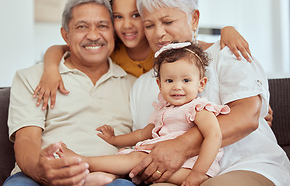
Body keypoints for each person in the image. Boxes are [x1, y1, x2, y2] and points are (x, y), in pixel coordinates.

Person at [124, 0, 290, 186]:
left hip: (245, 163)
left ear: (194, 19)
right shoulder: (143, 84)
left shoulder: (227, 53)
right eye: (149, 25)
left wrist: (182, 144)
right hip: (181, 174)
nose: (158, 34)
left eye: (168, 21)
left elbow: (248, 115)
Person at [33, 0, 252, 110]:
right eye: (117, 17)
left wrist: (227, 30)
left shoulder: (163, 45)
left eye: (136, 15)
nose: (127, 25)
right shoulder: (111, 47)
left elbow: (199, 48)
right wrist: (51, 69)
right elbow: (63, 48)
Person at [3, 0, 136, 186]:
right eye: (81, 26)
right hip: (40, 177)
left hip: (110, 179)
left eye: (102, 26)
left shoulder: (135, 85)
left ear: (113, 33)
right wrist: (41, 172)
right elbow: (27, 140)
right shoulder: (32, 77)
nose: (93, 35)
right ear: (65, 35)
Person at [56, 42, 231, 186]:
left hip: (192, 168)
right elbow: (142, 133)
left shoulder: (198, 108)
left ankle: (83, 161)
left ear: (201, 84)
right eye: (169, 80)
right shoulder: (163, 110)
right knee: (133, 156)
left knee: (137, 159)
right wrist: (114, 140)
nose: (177, 86)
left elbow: (215, 136)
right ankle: (107, 176)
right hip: (163, 164)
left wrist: (198, 174)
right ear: (159, 84)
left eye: (186, 80)